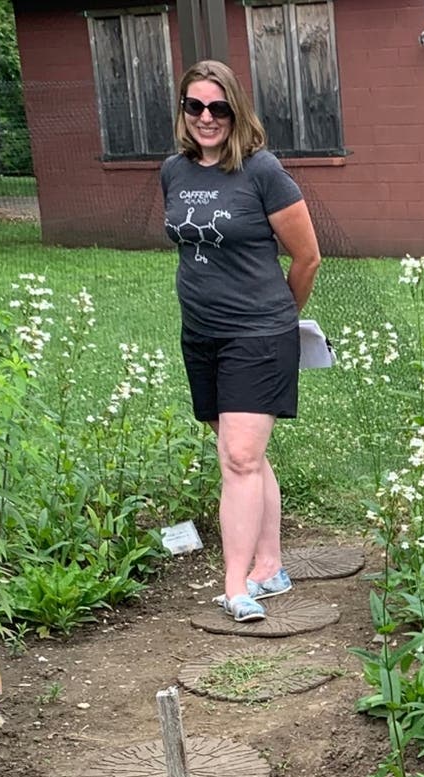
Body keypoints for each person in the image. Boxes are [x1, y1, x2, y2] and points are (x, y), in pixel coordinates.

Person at [161, 60, 321, 622]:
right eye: (195, 106)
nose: (206, 118)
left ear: (236, 111)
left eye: (218, 108)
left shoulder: (262, 171)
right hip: (201, 334)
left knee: (239, 457)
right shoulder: (173, 172)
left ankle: (236, 586)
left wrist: (279, 318)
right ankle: (270, 566)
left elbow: (307, 257)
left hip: (259, 334)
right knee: (243, 457)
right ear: (184, 111)